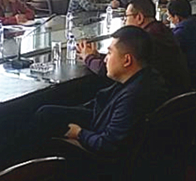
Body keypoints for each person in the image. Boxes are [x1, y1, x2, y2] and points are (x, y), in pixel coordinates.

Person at [34, 26, 168, 154]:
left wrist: (79, 133)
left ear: (127, 60)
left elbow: (107, 145)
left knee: (42, 119)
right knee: (46, 113)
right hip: (102, 119)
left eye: (109, 53)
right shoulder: (147, 77)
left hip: (102, 155)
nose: (105, 60)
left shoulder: (133, 97)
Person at [78, 0, 191, 97]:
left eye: (127, 17)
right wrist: (99, 56)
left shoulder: (146, 39)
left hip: (159, 99)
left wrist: (87, 57)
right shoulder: (162, 30)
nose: (124, 21)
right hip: (177, 97)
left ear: (139, 18)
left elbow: (106, 69)